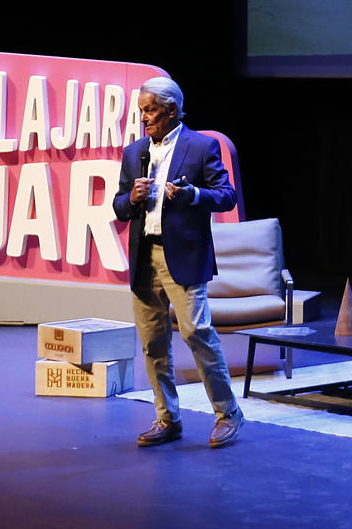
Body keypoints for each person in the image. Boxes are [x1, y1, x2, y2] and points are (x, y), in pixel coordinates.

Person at [114, 75, 243, 449]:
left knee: (196, 334)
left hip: (184, 258)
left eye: (150, 111)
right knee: (153, 342)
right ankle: (167, 418)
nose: (144, 119)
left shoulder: (201, 147)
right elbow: (119, 208)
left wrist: (192, 195)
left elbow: (226, 196)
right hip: (144, 258)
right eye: (141, 111)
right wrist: (132, 198)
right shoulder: (134, 152)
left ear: (171, 111)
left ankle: (228, 413)